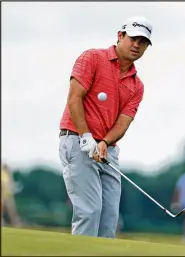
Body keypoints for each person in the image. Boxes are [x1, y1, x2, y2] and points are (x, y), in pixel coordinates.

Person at [59, 16, 153, 238]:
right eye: (133, 39)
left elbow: (123, 122)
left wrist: (104, 142)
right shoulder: (92, 58)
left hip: (107, 149)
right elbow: (74, 99)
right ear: (120, 36)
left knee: (109, 218)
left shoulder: (136, 85)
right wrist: (86, 136)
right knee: (89, 211)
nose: (137, 45)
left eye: (143, 42)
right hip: (76, 140)